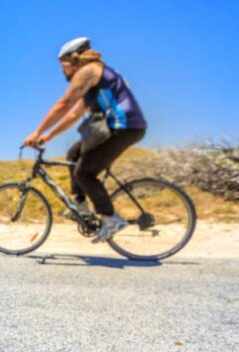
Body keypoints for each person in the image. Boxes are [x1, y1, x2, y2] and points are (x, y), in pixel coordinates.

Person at [23, 37, 147, 243]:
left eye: (63, 66)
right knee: (73, 154)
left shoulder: (87, 71)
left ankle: (111, 218)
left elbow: (64, 104)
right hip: (118, 128)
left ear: (73, 59)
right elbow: (72, 115)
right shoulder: (94, 78)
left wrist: (36, 132)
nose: (63, 72)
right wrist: (48, 136)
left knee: (85, 173)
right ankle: (81, 206)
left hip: (125, 127)